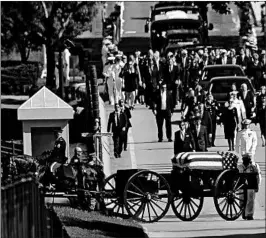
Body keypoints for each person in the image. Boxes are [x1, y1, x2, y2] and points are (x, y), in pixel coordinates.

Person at [238, 153, 261, 220]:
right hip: (241, 186)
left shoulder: (253, 167)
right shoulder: (239, 167)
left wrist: (257, 186)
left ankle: (249, 214)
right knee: (241, 199)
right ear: (243, 159)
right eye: (245, 159)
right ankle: (243, 211)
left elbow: (257, 177)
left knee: (250, 199)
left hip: (251, 186)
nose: (246, 160)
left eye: (248, 159)